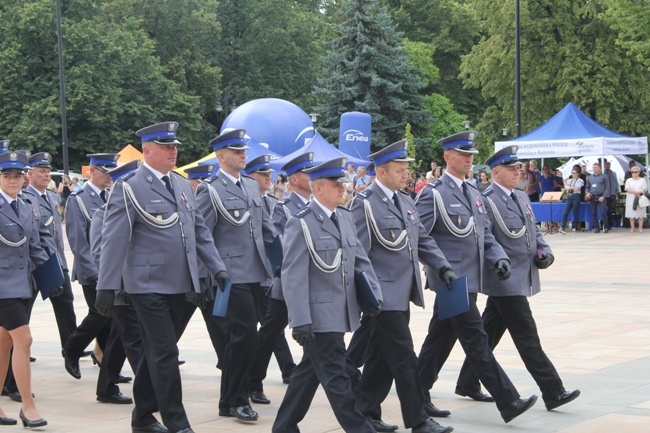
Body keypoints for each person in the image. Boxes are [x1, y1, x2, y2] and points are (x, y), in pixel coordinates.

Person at [96, 121, 228, 433]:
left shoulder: (182, 185)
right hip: (145, 285)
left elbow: (198, 233)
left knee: (157, 353)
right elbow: (113, 240)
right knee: (167, 352)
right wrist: (106, 285)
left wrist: (217, 267)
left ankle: (142, 418)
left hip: (180, 284)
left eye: (174, 147)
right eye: (167, 147)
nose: (174, 152)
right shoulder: (128, 187)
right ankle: (177, 422)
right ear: (147, 151)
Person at [415, 131, 538, 424]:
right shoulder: (434, 193)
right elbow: (419, 236)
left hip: (471, 278)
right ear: (447, 157)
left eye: (471, 155)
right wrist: (439, 268)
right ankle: (508, 400)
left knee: (441, 337)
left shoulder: (473, 193)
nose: (469, 160)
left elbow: (484, 234)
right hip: (451, 280)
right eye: (463, 154)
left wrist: (499, 259)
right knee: (476, 338)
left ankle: (416, 393)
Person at [455, 145, 581, 412]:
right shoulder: (486, 200)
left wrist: (544, 252)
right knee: (527, 336)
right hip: (504, 278)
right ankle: (553, 390)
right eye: (512, 169)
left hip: (522, 275)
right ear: (496, 172)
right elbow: (485, 238)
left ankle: (467, 381)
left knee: (488, 333)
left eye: (519, 169)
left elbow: (532, 231)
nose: (518, 173)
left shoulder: (521, 197)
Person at [349, 140, 455, 433]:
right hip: (380, 295)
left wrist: (442, 266)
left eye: (406, 170)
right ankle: (418, 419)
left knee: (380, 357)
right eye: (399, 171)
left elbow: (422, 240)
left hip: (402, 291)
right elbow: (357, 252)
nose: (406, 175)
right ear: (381, 172)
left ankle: (366, 412)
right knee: (404, 356)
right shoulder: (364, 203)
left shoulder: (405, 200)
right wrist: (367, 293)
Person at [271, 157, 382, 433]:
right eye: (336, 185)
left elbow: (359, 260)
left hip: (340, 309)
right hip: (318, 315)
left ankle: (283, 427)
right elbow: (293, 275)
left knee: (308, 374)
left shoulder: (344, 217)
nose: (342, 189)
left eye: (343, 184)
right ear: (318, 188)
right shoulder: (302, 223)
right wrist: (299, 320)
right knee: (337, 380)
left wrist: (373, 295)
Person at [194, 129, 276, 423]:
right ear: (221, 156)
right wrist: (209, 274)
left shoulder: (252, 187)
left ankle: (228, 400)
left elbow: (266, 229)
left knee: (239, 339)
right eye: (237, 151)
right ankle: (239, 399)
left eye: (244, 150)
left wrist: (282, 258)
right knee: (243, 336)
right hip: (229, 275)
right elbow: (201, 235)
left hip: (256, 272)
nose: (244, 155)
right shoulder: (210, 189)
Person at [248, 152, 316, 407]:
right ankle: (253, 382)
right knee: (269, 334)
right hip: (288, 285)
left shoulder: (317, 206)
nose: (313, 178)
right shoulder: (283, 209)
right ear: (296, 179)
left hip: (315, 284)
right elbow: (278, 247)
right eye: (308, 173)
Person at [0, 150, 49, 428]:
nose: (13, 181)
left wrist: (51, 277)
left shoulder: (27, 203)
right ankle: (27, 406)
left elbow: (36, 246)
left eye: (17, 176)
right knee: (24, 339)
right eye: (7, 176)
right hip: (1, 286)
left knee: (4, 342)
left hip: (23, 284)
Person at [243, 154, 296, 404]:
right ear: (250, 176)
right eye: (263, 174)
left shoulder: (274, 203)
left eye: (269, 174)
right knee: (267, 330)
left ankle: (285, 370)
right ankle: (251, 380)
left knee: (271, 328)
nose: (268, 178)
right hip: (257, 275)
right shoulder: (252, 202)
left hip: (272, 276)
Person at [89, 160, 142, 406]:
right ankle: (154, 391)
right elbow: (100, 253)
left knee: (120, 340)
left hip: (139, 287)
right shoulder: (104, 212)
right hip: (121, 289)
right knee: (135, 342)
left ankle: (106, 387)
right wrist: (112, 285)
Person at [63, 153, 120, 379]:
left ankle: (106, 364)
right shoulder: (78, 199)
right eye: (105, 171)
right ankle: (72, 349)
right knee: (99, 315)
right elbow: (79, 242)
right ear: (92, 171)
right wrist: (95, 274)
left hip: (110, 269)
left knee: (110, 319)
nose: (109, 176)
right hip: (92, 271)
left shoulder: (112, 196)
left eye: (111, 172)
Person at [585, 162, 610, 232]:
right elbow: (587, 187)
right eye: (593, 167)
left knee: (603, 212)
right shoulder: (590, 177)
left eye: (595, 167)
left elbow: (607, 188)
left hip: (601, 195)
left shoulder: (604, 176)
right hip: (592, 196)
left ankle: (606, 227)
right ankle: (596, 227)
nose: (594, 169)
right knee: (593, 213)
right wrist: (587, 193)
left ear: (599, 168)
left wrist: (603, 196)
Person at [559, 168, 584, 233]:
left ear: (577, 174)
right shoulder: (570, 180)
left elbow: (578, 188)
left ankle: (574, 227)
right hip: (569, 196)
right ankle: (562, 227)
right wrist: (572, 187)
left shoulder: (580, 180)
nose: (573, 174)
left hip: (576, 196)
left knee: (575, 212)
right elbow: (566, 188)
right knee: (565, 212)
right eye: (572, 173)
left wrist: (570, 187)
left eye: (574, 173)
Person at [624, 166, 647, 232]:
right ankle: (632, 227)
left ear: (639, 172)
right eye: (632, 172)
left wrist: (639, 193)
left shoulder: (643, 180)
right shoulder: (628, 180)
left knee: (641, 213)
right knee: (631, 213)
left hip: (640, 197)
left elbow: (644, 188)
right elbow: (627, 188)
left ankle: (640, 227)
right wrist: (634, 192)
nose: (634, 173)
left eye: (635, 172)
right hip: (631, 198)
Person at [603, 159, 619, 230]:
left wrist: (613, 193)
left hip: (609, 194)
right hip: (601, 194)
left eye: (608, 165)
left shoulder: (611, 173)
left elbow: (613, 183)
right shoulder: (601, 172)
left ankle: (609, 224)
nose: (607, 166)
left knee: (608, 210)